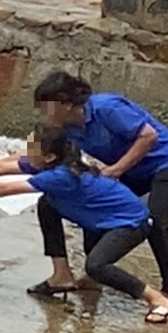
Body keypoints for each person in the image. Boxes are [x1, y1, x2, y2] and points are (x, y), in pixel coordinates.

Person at [0, 123, 168, 325]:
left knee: (97, 265)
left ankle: (156, 299)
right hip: (101, 221)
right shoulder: (49, 164)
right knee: (47, 203)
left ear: (48, 156)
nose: (25, 153)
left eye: (30, 148)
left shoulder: (60, 176)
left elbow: (2, 189)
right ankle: (62, 276)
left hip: (131, 223)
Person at [32, 71, 168, 295]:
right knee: (78, 199)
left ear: (66, 104)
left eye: (46, 106)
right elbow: (46, 157)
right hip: (134, 170)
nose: (42, 112)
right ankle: (67, 275)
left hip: (163, 162)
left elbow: (148, 136)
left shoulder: (107, 108)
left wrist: (116, 169)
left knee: (157, 218)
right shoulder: (66, 128)